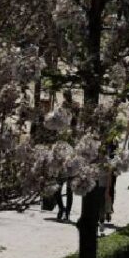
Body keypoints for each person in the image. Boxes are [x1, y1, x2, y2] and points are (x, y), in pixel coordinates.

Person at [54, 91, 78, 222]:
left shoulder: (75, 109)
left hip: (71, 155)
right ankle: (61, 208)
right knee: (57, 187)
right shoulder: (60, 113)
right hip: (60, 154)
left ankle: (66, 212)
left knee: (69, 187)